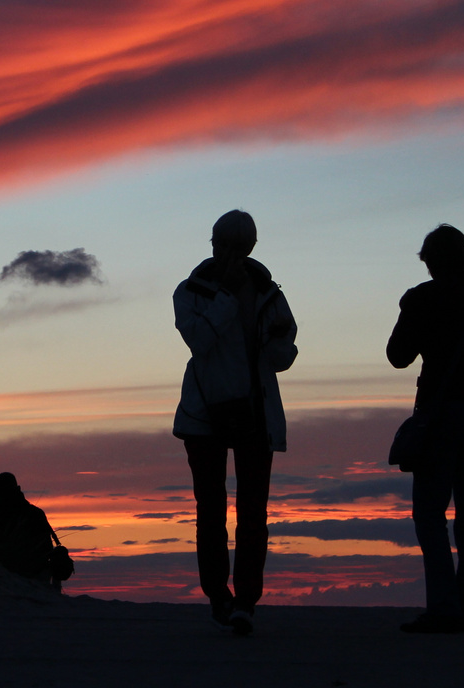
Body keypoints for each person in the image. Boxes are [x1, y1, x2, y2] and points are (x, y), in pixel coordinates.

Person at [172, 209, 298, 636]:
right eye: (221, 244)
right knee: (210, 510)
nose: (227, 252)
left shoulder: (269, 292)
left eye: (236, 246)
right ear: (212, 243)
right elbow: (199, 341)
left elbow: (282, 359)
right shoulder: (190, 291)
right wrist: (225, 297)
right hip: (204, 415)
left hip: (255, 414)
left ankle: (245, 600)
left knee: (252, 513)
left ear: (249, 249)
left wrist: (279, 339)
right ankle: (218, 596)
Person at [386, 224, 464, 634]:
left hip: (442, 413)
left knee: (430, 514)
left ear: (430, 262)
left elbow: (397, 356)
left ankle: (444, 607)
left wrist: (413, 312)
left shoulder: (422, 298)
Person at [0, 472, 62, 588]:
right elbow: (47, 547)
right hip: (35, 573)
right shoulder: (36, 513)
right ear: (18, 489)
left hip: (9, 576)